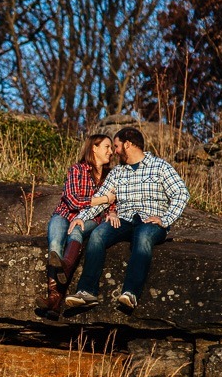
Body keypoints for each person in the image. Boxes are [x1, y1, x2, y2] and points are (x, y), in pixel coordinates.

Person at [65, 126, 189, 310]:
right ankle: (87, 292)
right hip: (124, 220)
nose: (114, 151)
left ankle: (130, 293)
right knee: (98, 235)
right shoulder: (117, 172)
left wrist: (165, 219)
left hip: (150, 221)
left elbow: (181, 193)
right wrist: (82, 217)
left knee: (143, 237)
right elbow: (102, 200)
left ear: (128, 144)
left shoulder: (160, 166)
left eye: (116, 146)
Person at [36, 134, 116, 315]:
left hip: (90, 219)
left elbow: (113, 203)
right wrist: (103, 199)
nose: (111, 152)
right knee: (55, 246)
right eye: (107, 147)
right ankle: (55, 302)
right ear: (94, 148)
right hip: (64, 215)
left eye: (111, 148)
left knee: (77, 232)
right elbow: (72, 201)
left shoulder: (110, 176)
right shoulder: (77, 170)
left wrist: (111, 210)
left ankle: (60, 281)